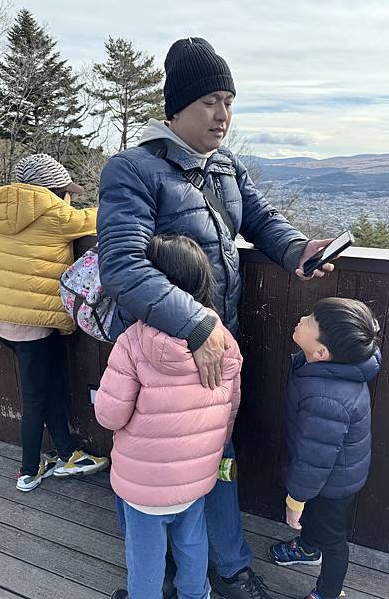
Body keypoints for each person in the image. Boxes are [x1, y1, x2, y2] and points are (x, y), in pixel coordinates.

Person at [97, 37, 334, 599]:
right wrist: (197, 325)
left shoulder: (224, 166)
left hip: (213, 349)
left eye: (228, 99)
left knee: (217, 455)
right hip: (158, 350)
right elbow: (122, 266)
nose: (222, 114)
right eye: (208, 100)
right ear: (174, 107)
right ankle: (164, 574)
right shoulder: (132, 170)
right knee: (157, 462)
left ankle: (227, 566)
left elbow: (260, 218)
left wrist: (297, 250)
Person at [95, 234, 242, 599]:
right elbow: (230, 410)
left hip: (144, 485)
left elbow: (110, 416)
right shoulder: (223, 339)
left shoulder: (132, 342)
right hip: (195, 479)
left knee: (146, 559)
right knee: (193, 546)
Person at [0, 153, 109, 492]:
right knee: (35, 395)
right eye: (66, 190)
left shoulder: (2, 211)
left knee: (48, 382)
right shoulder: (55, 214)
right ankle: (28, 471)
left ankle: (66, 452)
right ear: (53, 191)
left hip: (1, 318)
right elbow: (99, 217)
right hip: (30, 325)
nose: (70, 196)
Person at [268, 298, 381, 599]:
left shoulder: (327, 398)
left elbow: (313, 459)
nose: (302, 318)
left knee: (333, 540)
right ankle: (307, 547)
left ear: (321, 352)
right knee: (314, 517)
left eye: (310, 321)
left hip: (331, 483)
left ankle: (329, 592)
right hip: (326, 473)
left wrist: (296, 499)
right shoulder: (328, 366)